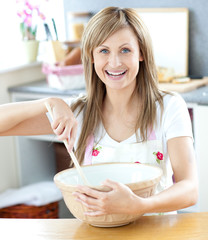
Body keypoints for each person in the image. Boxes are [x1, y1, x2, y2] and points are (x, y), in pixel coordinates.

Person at [0, 7, 198, 217]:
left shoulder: (168, 107)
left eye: (125, 50)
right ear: (91, 56)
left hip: (156, 233)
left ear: (141, 53)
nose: (114, 62)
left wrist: (140, 206)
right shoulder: (77, 112)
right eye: (104, 51)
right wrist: (50, 103)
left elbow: (190, 189)